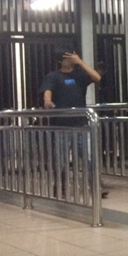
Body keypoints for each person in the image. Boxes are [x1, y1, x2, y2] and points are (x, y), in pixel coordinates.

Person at [39, 49, 106, 198]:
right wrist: (47, 101)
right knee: (61, 159)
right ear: (60, 61)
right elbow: (47, 91)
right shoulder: (54, 76)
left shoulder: (79, 74)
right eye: (67, 58)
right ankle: (60, 188)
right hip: (62, 125)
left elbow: (97, 77)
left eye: (72, 57)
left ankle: (96, 187)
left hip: (81, 124)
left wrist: (80, 62)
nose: (70, 60)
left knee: (89, 158)